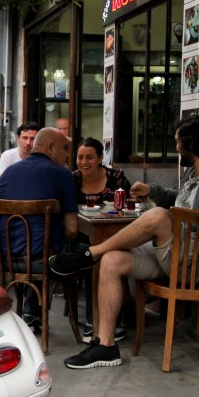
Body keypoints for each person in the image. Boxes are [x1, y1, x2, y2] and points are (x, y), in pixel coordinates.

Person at [50, 115, 199, 369]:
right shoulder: (195, 172)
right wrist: (153, 191)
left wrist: (169, 222)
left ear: (192, 144)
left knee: (157, 216)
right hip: (179, 254)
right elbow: (183, 200)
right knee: (112, 260)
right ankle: (106, 346)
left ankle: (90, 253)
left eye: (178, 143)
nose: (176, 148)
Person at [0, 127, 79, 328]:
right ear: (50, 148)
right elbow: (72, 229)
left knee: (39, 241)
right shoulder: (62, 175)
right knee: (90, 256)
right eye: (65, 148)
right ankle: (92, 327)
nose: (68, 154)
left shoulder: (7, 173)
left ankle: (31, 315)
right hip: (43, 262)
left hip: (6, 260)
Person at [73, 137, 132, 342]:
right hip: (81, 238)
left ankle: (113, 322)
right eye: (80, 157)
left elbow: (129, 202)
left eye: (89, 157)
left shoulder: (116, 177)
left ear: (100, 158)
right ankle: (94, 321)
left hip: (113, 237)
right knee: (93, 257)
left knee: (106, 255)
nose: (84, 162)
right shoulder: (72, 180)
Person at [0, 121, 41, 187]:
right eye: (25, 138)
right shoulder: (7, 156)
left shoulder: (43, 157)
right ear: (18, 138)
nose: (28, 143)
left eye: (32, 139)